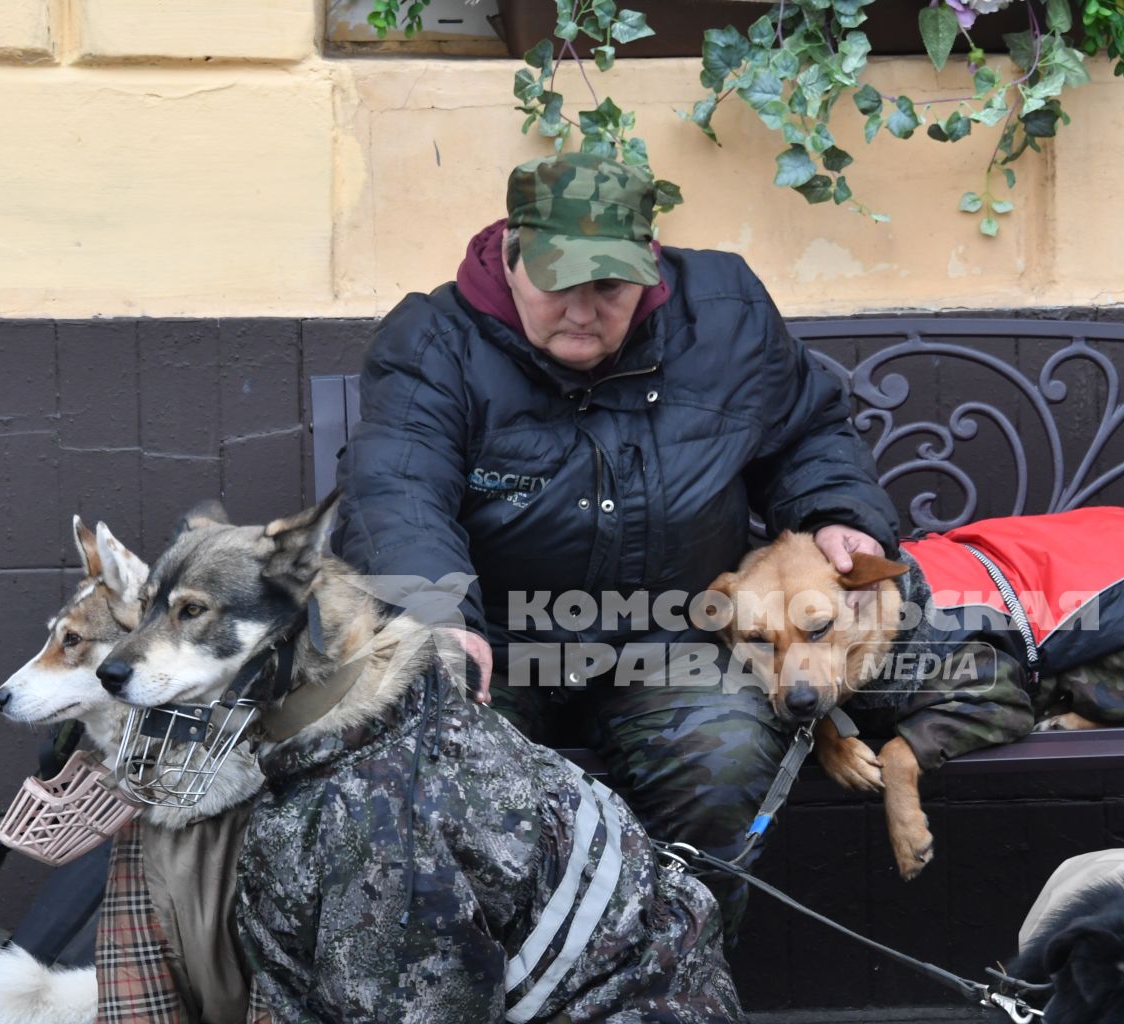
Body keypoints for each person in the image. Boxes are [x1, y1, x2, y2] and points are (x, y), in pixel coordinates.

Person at [334, 151, 898, 939]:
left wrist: (838, 510)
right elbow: (395, 489)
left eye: (610, 288)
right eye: (559, 283)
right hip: (504, 640)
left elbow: (808, 431)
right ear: (512, 254)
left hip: (676, 634)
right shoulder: (434, 343)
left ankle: (674, 994)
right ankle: (505, 1004)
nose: (583, 310)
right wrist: (440, 614)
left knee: (725, 758)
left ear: (651, 267)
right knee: (447, 771)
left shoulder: (727, 313)